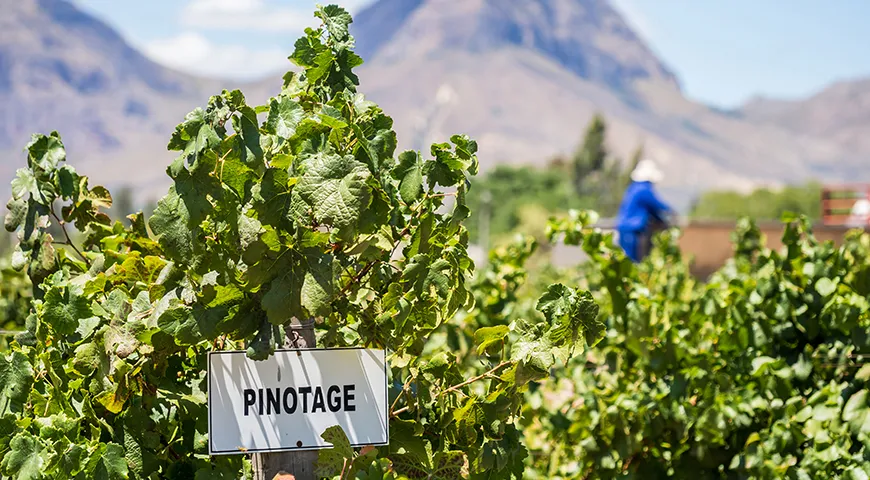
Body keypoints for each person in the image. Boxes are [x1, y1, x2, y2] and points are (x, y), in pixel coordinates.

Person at [616, 159, 673, 262]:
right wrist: (670, 212)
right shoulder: (643, 189)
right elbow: (656, 206)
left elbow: (651, 210)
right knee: (631, 261)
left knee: (630, 259)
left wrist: (660, 219)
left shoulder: (634, 188)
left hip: (627, 229)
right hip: (631, 229)